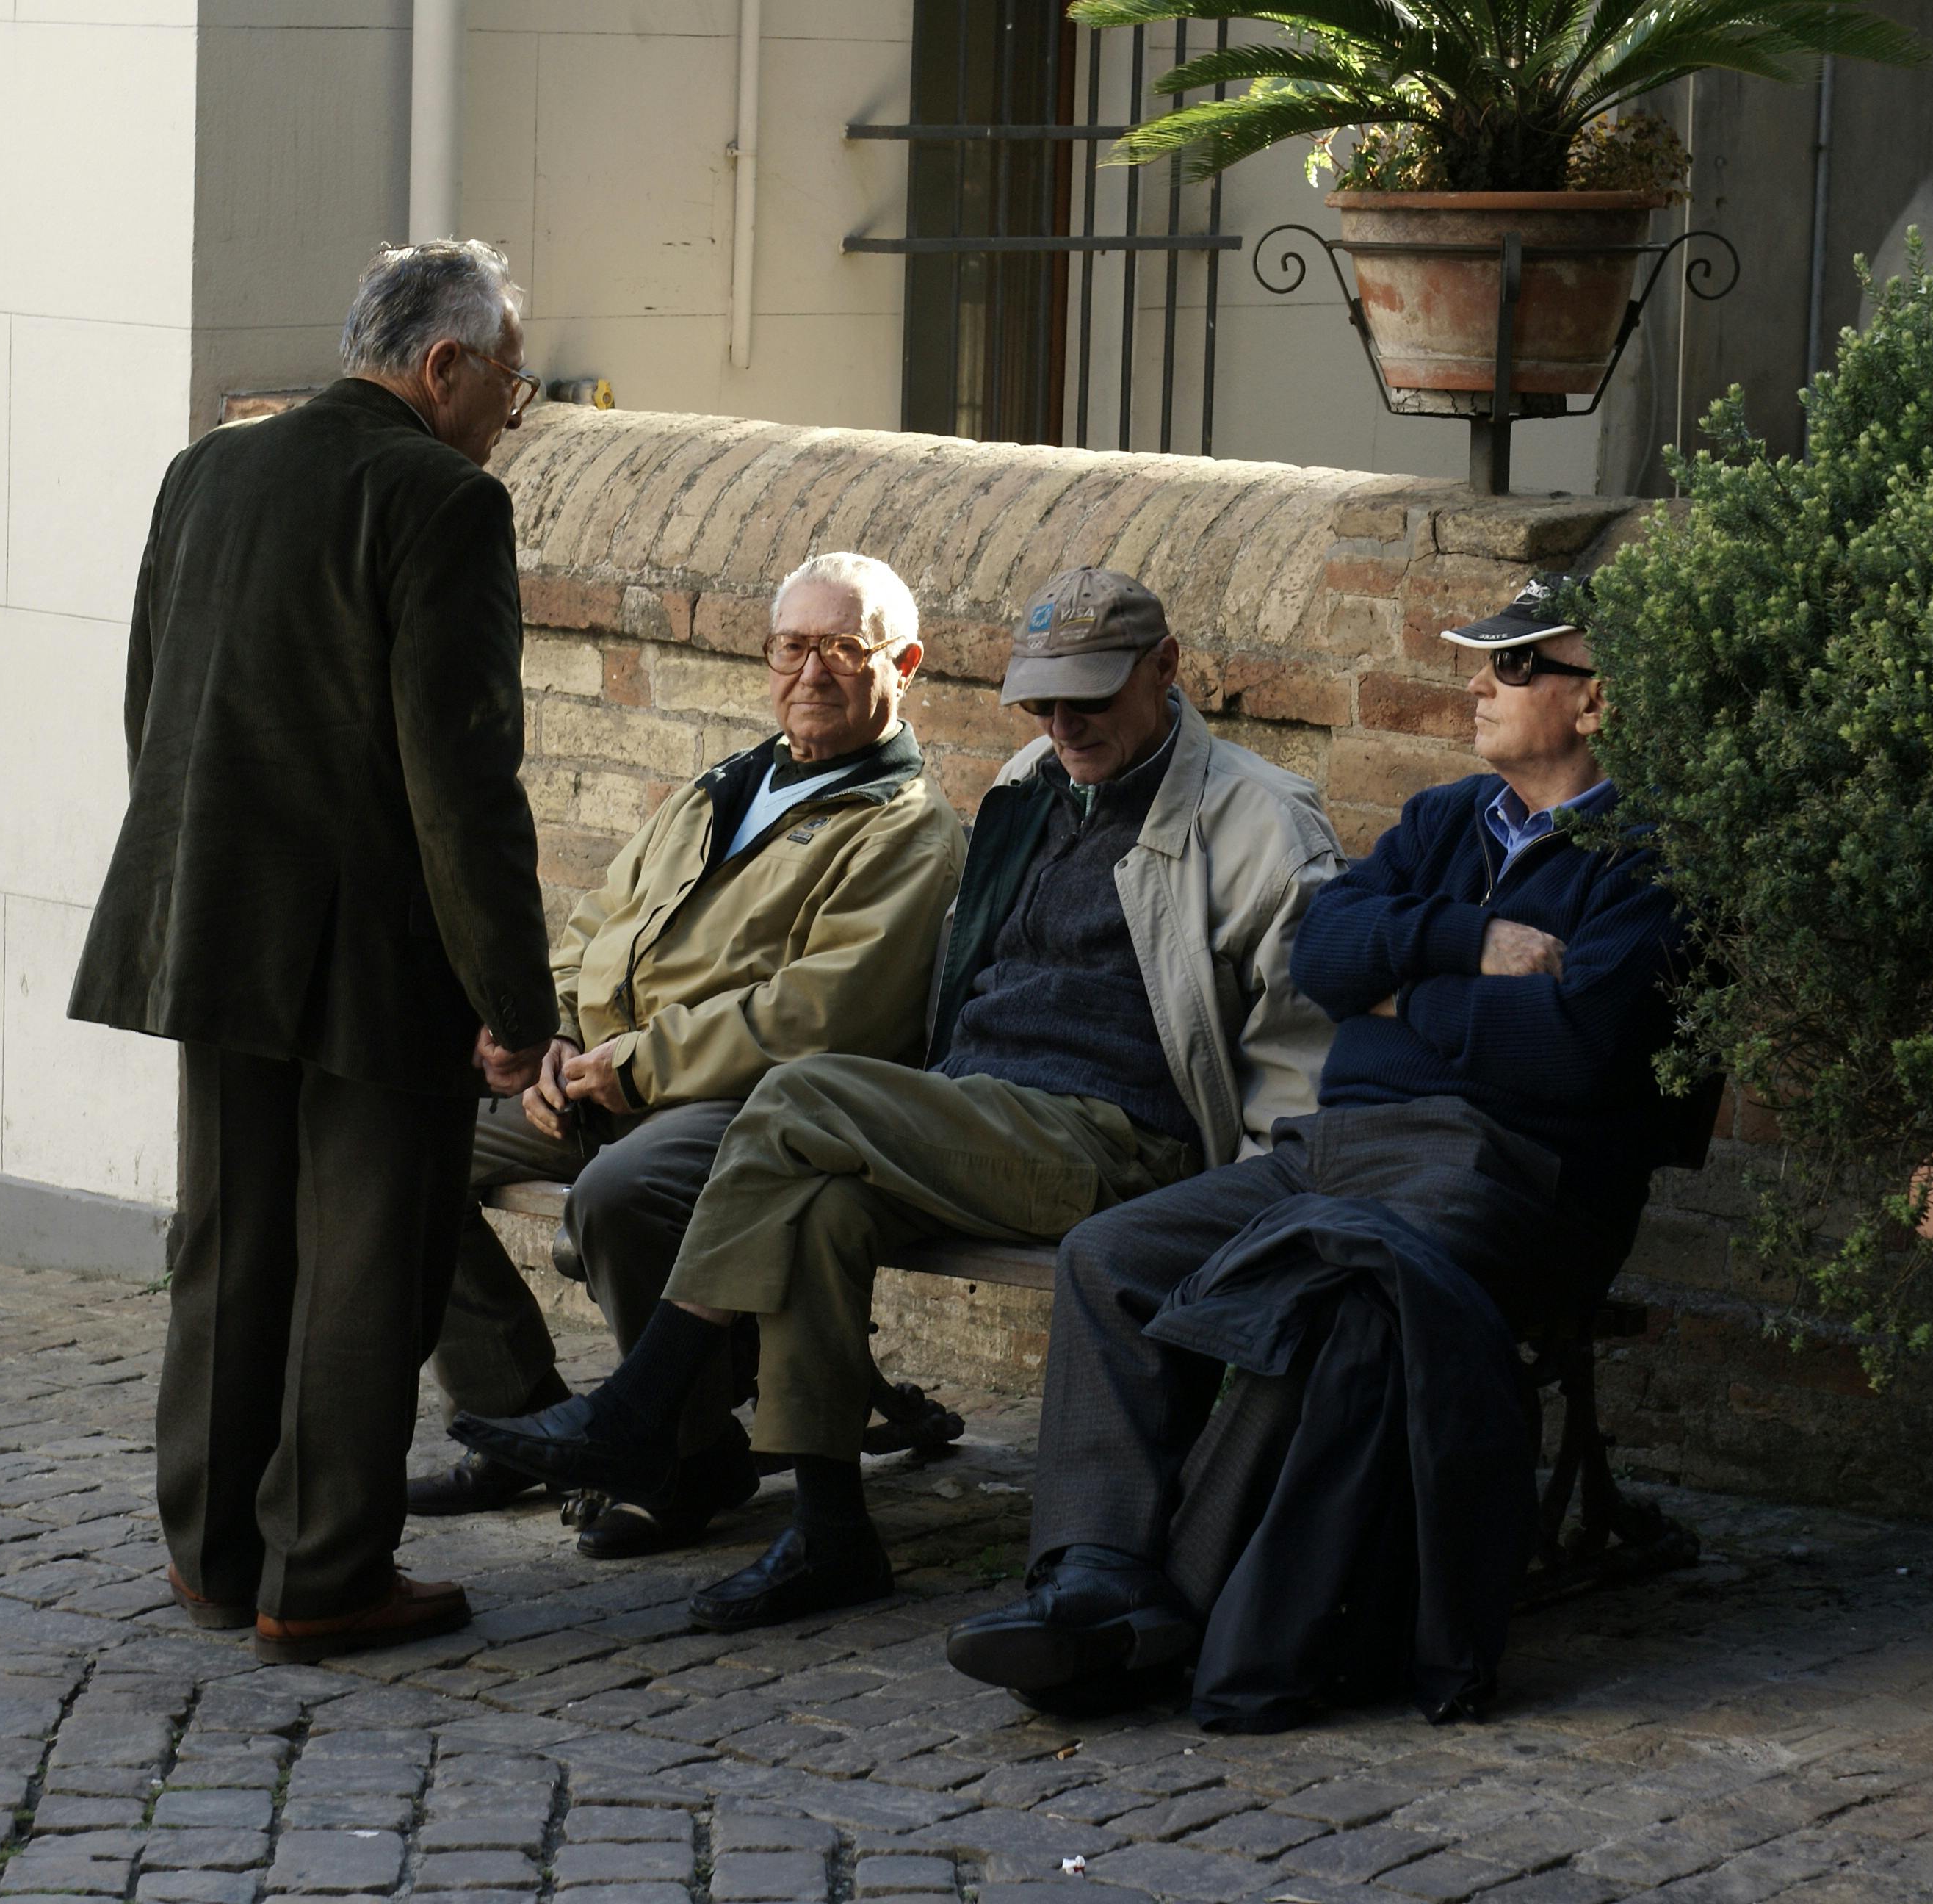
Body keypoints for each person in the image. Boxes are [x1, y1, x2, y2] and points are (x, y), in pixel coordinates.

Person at [453, 567, 1343, 1631]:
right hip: (978, 1114)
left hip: (1119, 1143)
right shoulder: (1031, 780)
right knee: (820, 1205)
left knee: (795, 1101)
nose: (1064, 725)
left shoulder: (1258, 820)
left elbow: (1298, 1050)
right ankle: (830, 1533)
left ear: (1166, 671)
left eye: (1092, 700)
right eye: (1044, 702)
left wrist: (1243, 1221)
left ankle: (639, 1407)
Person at [942, 579, 1693, 1727]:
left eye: (1515, 667)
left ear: (1595, 704)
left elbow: (1579, 1054)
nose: (1480, 686)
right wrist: (1464, 942)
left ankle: (1188, 1608)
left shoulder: (1646, 860)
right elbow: (1329, 957)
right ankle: (1092, 1571)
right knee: (1111, 1253)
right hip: (1341, 1149)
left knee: (1325, 1291)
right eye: (1480, 662)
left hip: (1511, 1183)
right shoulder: (1446, 822)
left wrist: (1405, 1006)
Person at [68, 239, 554, 1665]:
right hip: (367, 950)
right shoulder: (442, 499)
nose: (506, 417)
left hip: (210, 917)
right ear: (443, 366)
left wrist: (197, 877)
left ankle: (215, 1557)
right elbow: (462, 779)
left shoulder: (208, 471)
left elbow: (150, 702)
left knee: (228, 1242)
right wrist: (512, 1001)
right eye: (509, 386)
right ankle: (324, 1571)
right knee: (364, 1261)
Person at [409, 550, 966, 1559]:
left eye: (843, 650)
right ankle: (520, 1413)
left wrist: (637, 1065)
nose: (810, 673)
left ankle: (686, 1453)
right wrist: (559, 1033)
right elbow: (599, 918)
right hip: (597, 1075)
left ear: (906, 664)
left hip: (745, 1103)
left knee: (624, 1195)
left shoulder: (908, 832)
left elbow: (820, 1014)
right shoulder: (722, 786)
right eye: (791, 647)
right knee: (402, 1141)